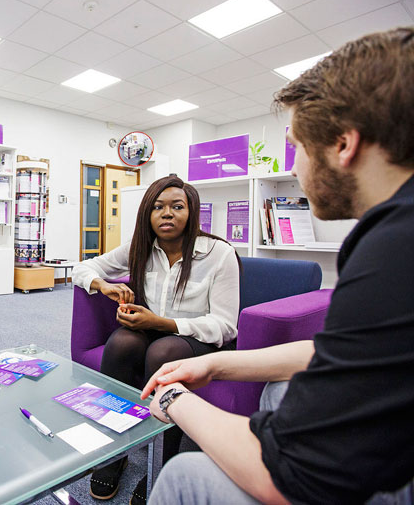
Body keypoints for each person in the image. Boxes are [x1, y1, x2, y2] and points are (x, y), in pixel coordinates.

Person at [142, 27, 414, 505]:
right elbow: (344, 356)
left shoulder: (395, 248)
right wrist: (218, 364)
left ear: (344, 144)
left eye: (296, 146)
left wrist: (174, 401)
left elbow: (290, 475)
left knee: (186, 474)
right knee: (277, 393)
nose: (293, 168)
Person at [73, 175, 240, 503]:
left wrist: (163, 323)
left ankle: (164, 460)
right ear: (147, 214)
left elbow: (225, 325)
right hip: (152, 330)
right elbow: (83, 267)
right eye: (158, 207)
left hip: (196, 339)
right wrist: (103, 285)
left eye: (177, 207)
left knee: (164, 350)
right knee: (122, 342)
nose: (167, 214)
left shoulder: (219, 253)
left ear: (191, 213)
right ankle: (113, 452)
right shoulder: (140, 248)